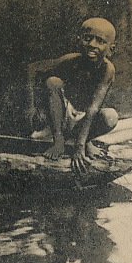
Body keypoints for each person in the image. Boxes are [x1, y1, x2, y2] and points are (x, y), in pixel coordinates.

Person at [26, 18, 119, 174]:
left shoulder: (107, 70)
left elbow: (93, 109)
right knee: (53, 82)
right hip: (59, 116)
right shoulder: (69, 61)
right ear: (79, 40)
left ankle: (83, 141)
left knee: (110, 116)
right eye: (87, 38)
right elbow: (33, 71)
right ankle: (59, 140)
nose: (92, 45)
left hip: (82, 120)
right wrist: (34, 108)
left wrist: (80, 146)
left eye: (100, 41)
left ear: (111, 49)